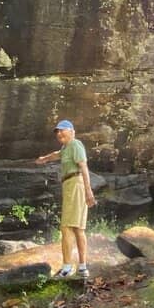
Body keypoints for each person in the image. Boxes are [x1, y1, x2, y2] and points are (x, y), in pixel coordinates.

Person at [35, 119, 96, 278]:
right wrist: (45, 159)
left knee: (67, 227)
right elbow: (56, 155)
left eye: (62, 130)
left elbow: (83, 167)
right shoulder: (66, 148)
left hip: (76, 184)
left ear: (72, 131)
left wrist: (89, 191)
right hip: (71, 186)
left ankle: (68, 267)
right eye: (57, 132)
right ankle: (82, 267)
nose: (59, 133)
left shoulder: (75, 144)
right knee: (77, 228)